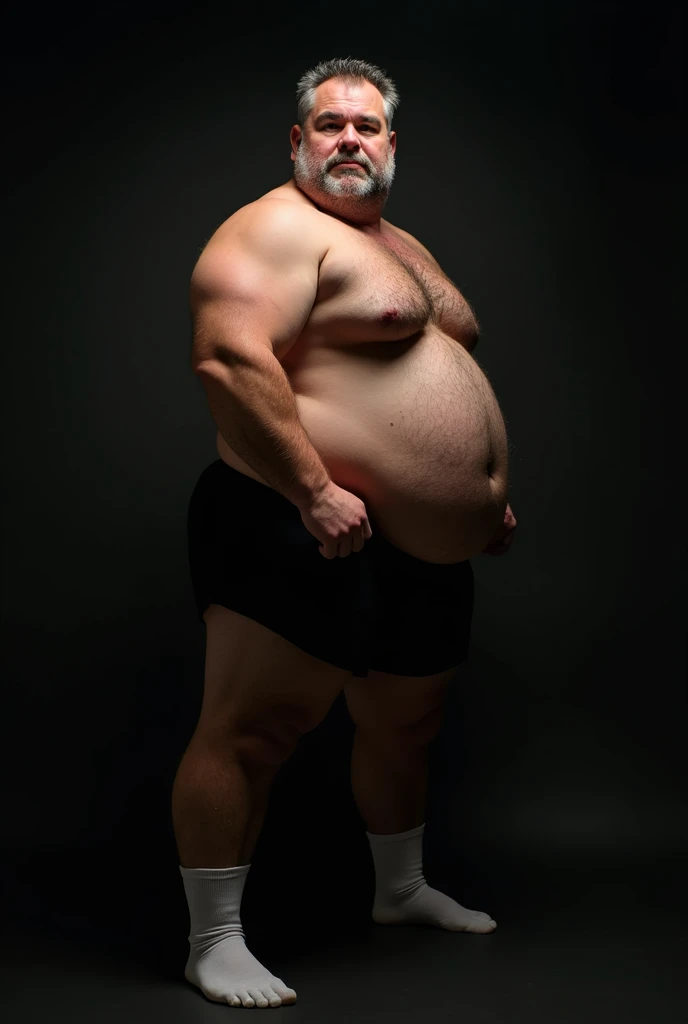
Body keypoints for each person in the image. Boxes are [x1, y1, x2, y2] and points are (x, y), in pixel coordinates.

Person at [172, 57, 518, 1009]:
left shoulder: (400, 244)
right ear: (298, 141)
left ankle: (399, 891)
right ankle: (215, 940)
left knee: (407, 723)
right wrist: (313, 487)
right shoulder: (273, 230)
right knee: (252, 730)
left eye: (367, 128)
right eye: (329, 126)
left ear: (392, 145)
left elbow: (431, 370)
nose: (350, 142)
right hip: (300, 513)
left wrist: (477, 498)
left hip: (410, 543)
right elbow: (228, 358)